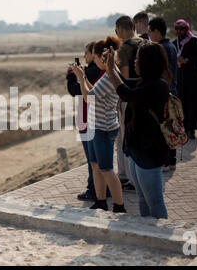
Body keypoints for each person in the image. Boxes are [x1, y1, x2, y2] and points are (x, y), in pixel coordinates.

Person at [104, 43, 170, 219]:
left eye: (138, 59)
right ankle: (149, 234)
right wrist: (112, 66)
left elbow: (126, 94)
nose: (134, 62)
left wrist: (110, 70)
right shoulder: (145, 83)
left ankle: (162, 239)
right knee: (142, 200)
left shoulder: (158, 86)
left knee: (155, 203)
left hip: (149, 154)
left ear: (147, 62)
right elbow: (125, 84)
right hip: (136, 151)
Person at [72, 36, 126, 213]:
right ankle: (100, 201)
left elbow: (89, 97)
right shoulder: (107, 75)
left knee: (107, 169)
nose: (96, 61)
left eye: (97, 57)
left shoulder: (110, 77)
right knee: (95, 166)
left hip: (104, 128)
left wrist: (80, 79)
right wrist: (84, 77)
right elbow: (92, 92)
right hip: (97, 127)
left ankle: (119, 205)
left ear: (105, 58)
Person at [67, 42, 104, 201]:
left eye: (87, 53)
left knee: (92, 160)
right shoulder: (98, 71)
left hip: (88, 119)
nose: (84, 56)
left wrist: (70, 74)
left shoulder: (92, 71)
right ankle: (102, 188)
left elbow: (74, 90)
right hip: (92, 118)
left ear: (94, 54)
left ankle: (94, 189)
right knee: (97, 159)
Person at [114, 16, 146, 191]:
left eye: (116, 30)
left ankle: (127, 178)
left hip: (128, 98)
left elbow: (125, 77)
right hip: (145, 94)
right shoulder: (145, 43)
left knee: (124, 139)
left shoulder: (125, 48)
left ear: (120, 28)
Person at [148, 17, 178, 172]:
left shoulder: (160, 48)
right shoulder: (171, 46)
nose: (149, 35)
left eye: (150, 31)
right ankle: (171, 161)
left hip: (163, 93)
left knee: (163, 128)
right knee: (171, 127)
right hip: (172, 91)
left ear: (157, 32)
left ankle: (165, 162)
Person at [173, 19, 197, 140]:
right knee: (182, 104)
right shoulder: (174, 43)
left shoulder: (194, 41)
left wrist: (187, 60)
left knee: (193, 104)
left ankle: (192, 129)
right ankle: (184, 128)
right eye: (177, 29)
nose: (180, 31)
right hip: (180, 78)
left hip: (193, 78)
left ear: (187, 29)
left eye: (182, 29)